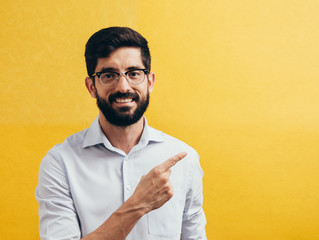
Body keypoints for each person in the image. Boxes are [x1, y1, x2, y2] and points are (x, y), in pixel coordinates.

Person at [35, 27, 207, 240]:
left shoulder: (184, 158)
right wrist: (138, 205)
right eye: (109, 75)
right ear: (91, 87)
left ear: (150, 82)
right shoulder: (60, 162)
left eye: (134, 73)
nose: (123, 86)